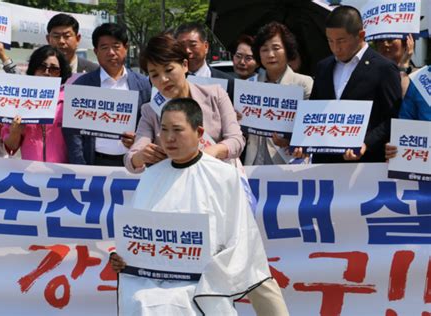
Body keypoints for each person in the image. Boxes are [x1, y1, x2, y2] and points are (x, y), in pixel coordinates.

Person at [111, 98, 288, 315]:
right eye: (164, 130)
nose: (169, 138)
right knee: (143, 300)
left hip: (206, 279)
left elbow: (241, 241)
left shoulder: (223, 175)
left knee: (181, 300)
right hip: (152, 281)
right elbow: (137, 237)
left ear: (199, 131)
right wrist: (123, 259)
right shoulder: (151, 175)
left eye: (177, 130)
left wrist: (207, 269)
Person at [124, 34, 244, 173]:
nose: (163, 79)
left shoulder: (215, 95)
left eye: (169, 70)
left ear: (185, 65)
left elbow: (236, 140)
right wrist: (140, 157)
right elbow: (131, 158)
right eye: (154, 75)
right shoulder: (150, 110)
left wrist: (207, 154)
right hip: (178, 185)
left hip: (218, 179)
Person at [304, 5, 402, 164]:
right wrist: (302, 143)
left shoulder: (384, 68)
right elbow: (314, 111)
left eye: (341, 41)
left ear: (361, 35)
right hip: (323, 165)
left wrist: (366, 143)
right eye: (330, 41)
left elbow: (392, 118)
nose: (336, 48)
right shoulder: (323, 67)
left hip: (365, 166)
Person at [63, 23, 151, 166]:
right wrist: (81, 166)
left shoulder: (143, 84)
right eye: (104, 47)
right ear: (96, 51)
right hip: (94, 162)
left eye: (116, 46)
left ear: (126, 48)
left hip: (132, 163)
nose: (111, 52)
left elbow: (149, 124)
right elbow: (73, 133)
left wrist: (139, 140)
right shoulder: (82, 84)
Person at [244, 22, 313, 165]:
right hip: (253, 162)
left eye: (276, 48)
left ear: (287, 51)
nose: (270, 55)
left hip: (287, 162)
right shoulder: (250, 85)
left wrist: (290, 140)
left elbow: (310, 129)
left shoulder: (304, 84)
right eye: (264, 49)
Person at [0, 45, 72, 162]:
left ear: (60, 73)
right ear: (33, 68)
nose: (47, 72)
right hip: (30, 173)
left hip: (61, 174)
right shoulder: (19, 99)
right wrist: (15, 132)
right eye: (42, 67)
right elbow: (11, 147)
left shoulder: (69, 100)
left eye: (54, 69)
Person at [0, 13, 98, 74]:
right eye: (56, 36)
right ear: (48, 39)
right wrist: (3, 56)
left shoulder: (94, 70)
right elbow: (21, 83)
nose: (61, 41)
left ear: (78, 39)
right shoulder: (39, 67)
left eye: (67, 36)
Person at [174, 22, 235, 99]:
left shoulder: (228, 82)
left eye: (193, 45)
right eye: (181, 46)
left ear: (206, 46)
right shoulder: (170, 81)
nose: (187, 50)